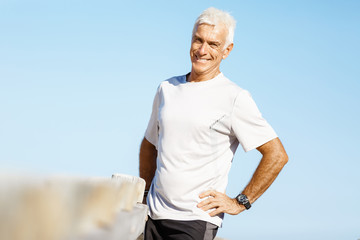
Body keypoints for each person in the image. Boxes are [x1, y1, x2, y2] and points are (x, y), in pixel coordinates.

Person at [139, 7, 288, 240]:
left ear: (227, 50)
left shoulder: (235, 97)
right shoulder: (166, 89)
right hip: (153, 216)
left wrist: (241, 202)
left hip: (195, 221)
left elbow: (277, 155)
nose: (202, 50)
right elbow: (149, 144)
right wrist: (145, 193)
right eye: (198, 40)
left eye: (213, 44)